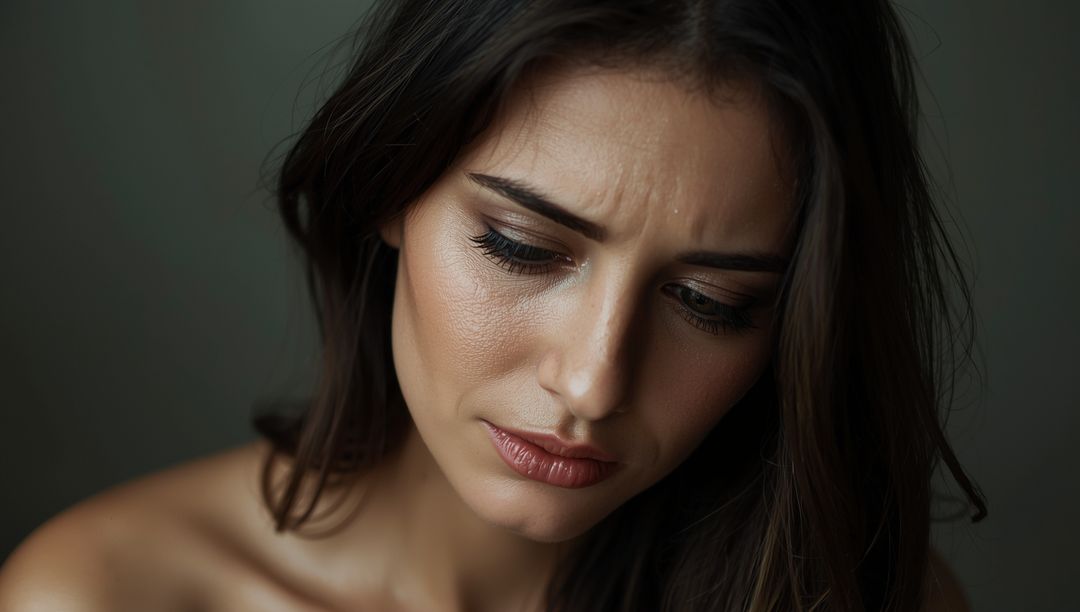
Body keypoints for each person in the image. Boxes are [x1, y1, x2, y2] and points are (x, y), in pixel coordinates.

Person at [0, 0, 987, 610]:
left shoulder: (858, 601)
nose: (593, 379)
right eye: (523, 247)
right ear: (393, 186)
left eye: (711, 302)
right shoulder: (99, 598)